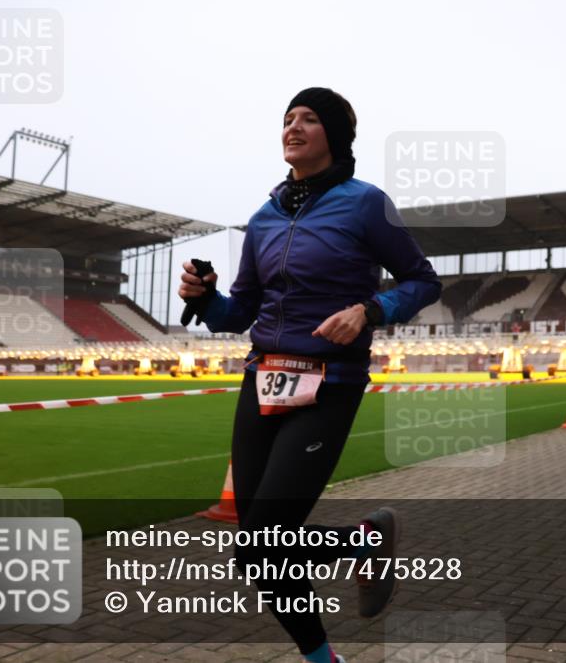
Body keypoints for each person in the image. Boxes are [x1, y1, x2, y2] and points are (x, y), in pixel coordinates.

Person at [178, 88, 441, 663]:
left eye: (309, 119)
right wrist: (206, 298)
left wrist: (369, 311)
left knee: (261, 545)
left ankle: (363, 548)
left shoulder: (366, 204)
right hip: (262, 380)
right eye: (287, 119)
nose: (293, 128)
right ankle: (332, 635)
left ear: (336, 136)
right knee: (257, 549)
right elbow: (240, 312)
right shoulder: (263, 218)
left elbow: (423, 281)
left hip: (330, 383)